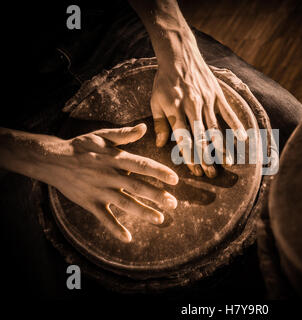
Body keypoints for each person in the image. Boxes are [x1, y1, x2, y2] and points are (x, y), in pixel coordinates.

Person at [0, 0, 246, 242]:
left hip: (103, 22)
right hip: (16, 120)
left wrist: (174, 37)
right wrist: (42, 156)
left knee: (275, 134)